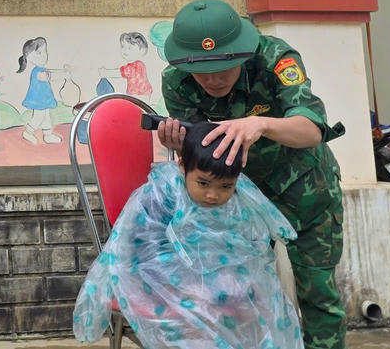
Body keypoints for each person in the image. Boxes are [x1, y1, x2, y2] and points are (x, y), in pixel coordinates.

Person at [156, 0, 346, 349]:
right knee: (237, 296)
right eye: (202, 69)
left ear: (242, 53)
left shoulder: (275, 59)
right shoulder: (177, 82)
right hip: (240, 197)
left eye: (224, 67)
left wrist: (260, 123)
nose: (213, 79)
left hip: (305, 188)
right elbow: (203, 153)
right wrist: (180, 144)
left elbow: (312, 131)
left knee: (318, 294)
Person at [73, 121, 303, 349]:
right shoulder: (160, 196)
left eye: (226, 186)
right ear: (183, 166)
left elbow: (248, 248)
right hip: (160, 282)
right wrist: (190, 284)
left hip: (215, 282)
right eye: (203, 183)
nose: (213, 195)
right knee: (201, 314)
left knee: (258, 301)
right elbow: (140, 252)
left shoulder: (238, 201)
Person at [16, 37, 66, 144]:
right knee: (39, 116)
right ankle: (28, 132)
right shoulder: (37, 71)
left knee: (46, 116)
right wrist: (64, 74)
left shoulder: (42, 69)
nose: (44, 55)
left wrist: (63, 71)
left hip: (43, 98)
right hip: (38, 99)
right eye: (39, 52)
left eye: (45, 51)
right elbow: (48, 77)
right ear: (29, 57)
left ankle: (48, 135)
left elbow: (50, 73)